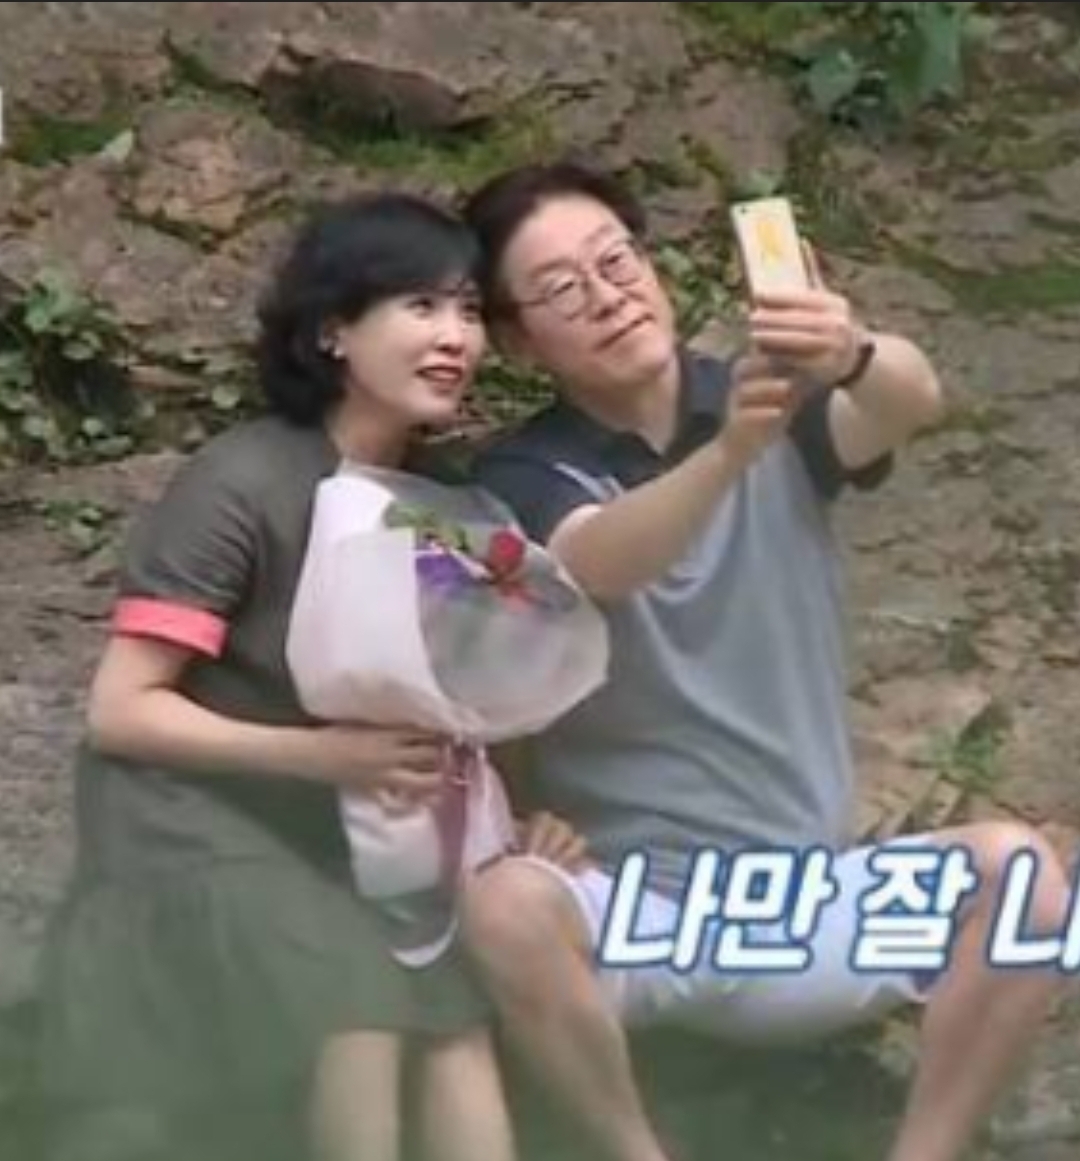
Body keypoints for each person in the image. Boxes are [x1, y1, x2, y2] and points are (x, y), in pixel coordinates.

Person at [455, 161, 1072, 1161]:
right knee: (506, 905)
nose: (608, 295)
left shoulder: (767, 395)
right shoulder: (521, 474)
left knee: (1025, 879)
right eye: (563, 288)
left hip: (806, 906)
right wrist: (728, 454)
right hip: (641, 914)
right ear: (519, 339)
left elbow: (911, 400)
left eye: (617, 261)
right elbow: (597, 563)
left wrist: (854, 349)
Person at [33, 190, 584, 1161]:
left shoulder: (447, 502)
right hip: (189, 815)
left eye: (467, 310)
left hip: (347, 830)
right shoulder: (240, 481)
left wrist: (526, 822)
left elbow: (475, 707)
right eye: (420, 306)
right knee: (355, 988)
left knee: (453, 1011)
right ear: (334, 330)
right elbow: (121, 711)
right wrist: (323, 758)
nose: (454, 336)